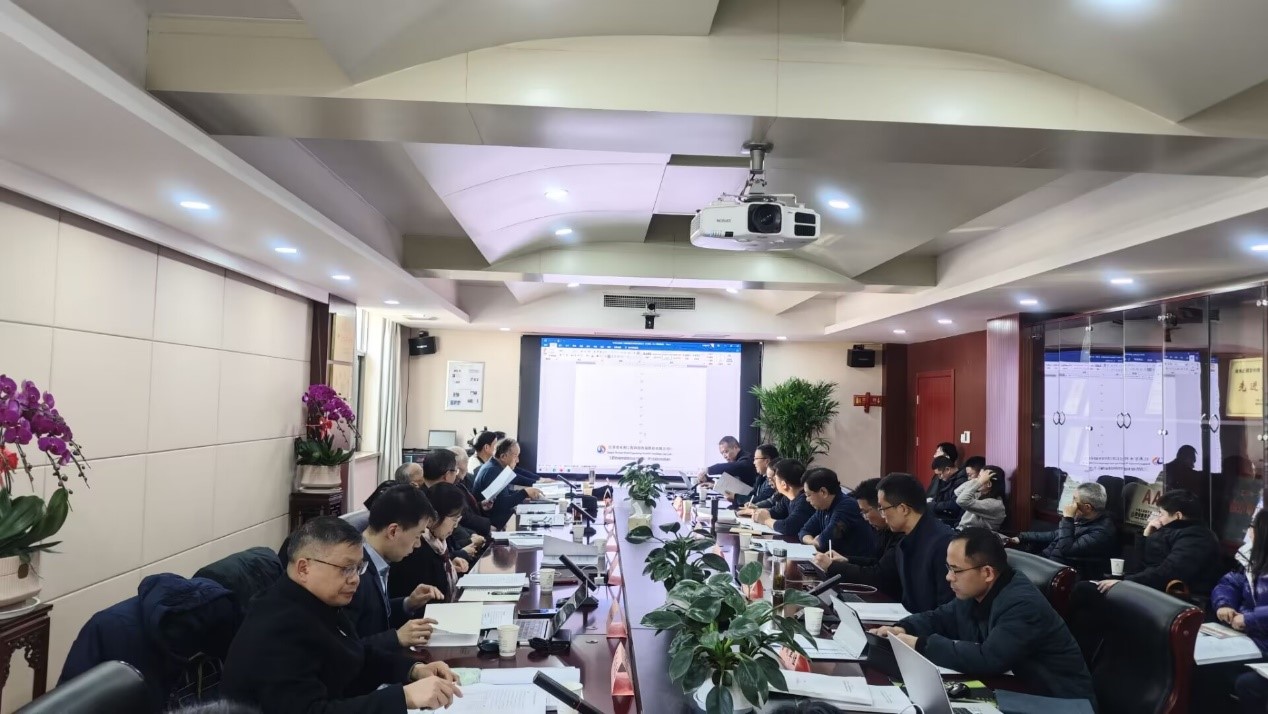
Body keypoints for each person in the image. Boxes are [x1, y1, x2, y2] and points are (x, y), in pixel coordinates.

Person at [222, 517, 462, 713]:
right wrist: (403, 697)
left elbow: (354, 654)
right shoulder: (278, 628)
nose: (355, 579)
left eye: (358, 568)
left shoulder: (317, 601)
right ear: (304, 568)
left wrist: (413, 670)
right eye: (346, 569)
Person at [872, 528, 1096, 707]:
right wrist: (903, 628)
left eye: (956, 570)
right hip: (1014, 690)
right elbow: (941, 617)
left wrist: (919, 644)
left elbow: (989, 658)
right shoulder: (977, 590)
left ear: (987, 572)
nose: (948, 577)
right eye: (948, 568)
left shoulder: (1023, 604)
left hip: (1056, 702)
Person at [345, 485, 444, 653]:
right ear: (393, 531)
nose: (418, 544)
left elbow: (373, 614)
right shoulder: (354, 574)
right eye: (417, 536)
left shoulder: (377, 560)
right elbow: (345, 649)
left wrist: (408, 604)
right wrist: (396, 638)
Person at [1096, 488, 1221, 596]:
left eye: (1161, 514)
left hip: (1178, 597)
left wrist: (1125, 582)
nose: (1157, 519)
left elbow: (1167, 572)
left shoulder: (1197, 538)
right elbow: (1141, 566)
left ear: (1178, 516)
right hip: (1156, 589)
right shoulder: (1171, 531)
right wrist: (1146, 536)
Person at [1212, 510, 1268, 713]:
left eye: (1252, 526)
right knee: (1205, 666)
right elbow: (1230, 583)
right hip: (1252, 638)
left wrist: (1249, 620)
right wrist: (1224, 604)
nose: (1249, 530)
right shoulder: (1251, 555)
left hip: (1259, 638)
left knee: (1247, 683)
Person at [876, 472, 955, 613]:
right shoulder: (906, 540)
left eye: (883, 509)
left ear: (903, 509)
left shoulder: (943, 544)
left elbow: (948, 608)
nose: (883, 516)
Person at [812, 477, 902, 599]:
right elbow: (877, 562)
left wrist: (832, 566)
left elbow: (878, 575)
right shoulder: (885, 530)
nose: (865, 518)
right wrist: (846, 560)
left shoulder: (902, 535)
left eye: (865, 512)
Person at [1009, 482, 1117, 579]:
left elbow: (1067, 550)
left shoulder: (1101, 532)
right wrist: (1022, 537)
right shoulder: (1084, 519)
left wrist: (1068, 518)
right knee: (1009, 560)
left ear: (1087, 507)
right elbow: (1055, 535)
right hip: (1046, 562)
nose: (1071, 504)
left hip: (1059, 574)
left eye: (1074, 499)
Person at [390, 483, 469, 603]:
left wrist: (450, 564)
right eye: (454, 519)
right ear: (434, 517)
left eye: (458, 520)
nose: (455, 525)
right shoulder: (415, 549)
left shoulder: (437, 542)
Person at [798, 468, 874, 558]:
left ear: (823, 492)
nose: (807, 499)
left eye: (808, 495)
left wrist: (816, 542)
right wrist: (813, 542)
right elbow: (804, 531)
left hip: (856, 563)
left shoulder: (847, 507)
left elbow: (824, 542)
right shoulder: (823, 507)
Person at [472, 438, 543, 529]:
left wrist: (526, 494)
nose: (517, 461)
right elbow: (501, 505)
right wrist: (524, 492)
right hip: (490, 526)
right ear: (503, 456)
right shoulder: (492, 471)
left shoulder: (496, 467)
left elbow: (503, 494)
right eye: (515, 456)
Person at [751, 459, 814, 537]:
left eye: (775, 478)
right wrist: (759, 513)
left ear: (784, 484)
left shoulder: (805, 500)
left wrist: (766, 520)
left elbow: (788, 527)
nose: (772, 481)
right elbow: (776, 512)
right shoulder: (787, 498)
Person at [954, 464, 1007, 531]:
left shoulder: (994, 504)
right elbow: (957, 492)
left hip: (974, 536)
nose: (976, 480)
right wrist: (977, 481)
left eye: (980, 477)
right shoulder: (979, 494)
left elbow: (961, 501)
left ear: (989, 484)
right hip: (962, 531)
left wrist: (979, 482)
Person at [928, 455, 967, 527]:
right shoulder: (948, 479)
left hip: (955, 519)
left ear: (948, 469)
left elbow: (954, 505)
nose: (940, 478)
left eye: (940, 474)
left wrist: (934, 505)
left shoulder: (961, 481)